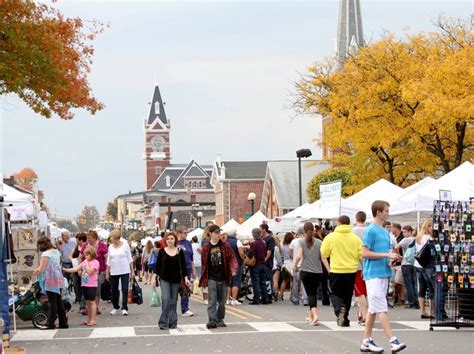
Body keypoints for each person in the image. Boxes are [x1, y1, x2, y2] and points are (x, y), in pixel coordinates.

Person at [360, 200, 406, 353]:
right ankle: (392, 340)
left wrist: (391, 259)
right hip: (373, 274)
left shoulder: (385, 232)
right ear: (378, 212)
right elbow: (364, 253)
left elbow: (383, 253)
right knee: (381, 308)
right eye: (386, 210)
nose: (388, 213)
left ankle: (366, 341)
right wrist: (387, 255)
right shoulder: (370, 230)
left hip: (383, 273)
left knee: (374, 309)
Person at [321, 215, 362, 327]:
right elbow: (361, 256)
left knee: (334, 293)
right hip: (351, 270)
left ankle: (339, 309)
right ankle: (345, 318)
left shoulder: (330, 237)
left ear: (338, 223)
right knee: (347, 295)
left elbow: (324, 254)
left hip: (336, 269)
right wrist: (363, 269)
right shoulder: (355, 238)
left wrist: (328, 269)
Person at [199, 224, 237, 329]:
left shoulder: (225, 245)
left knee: (221, 301)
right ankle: (212, 320)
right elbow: (204, 263)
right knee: (212, 300)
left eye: (219, 232)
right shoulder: (206, 247)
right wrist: (203, 277)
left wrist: (233, 269)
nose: (218, 234)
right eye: (216, 233)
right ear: (210, 234)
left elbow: (232, 258)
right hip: (211, 277)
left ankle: (220, 319)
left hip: (223, 276)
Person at [153, 232, 190, 330]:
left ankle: (173, 322)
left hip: (176, 279)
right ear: (165, 240)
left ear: (175, 240)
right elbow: (158, 266)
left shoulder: (179, 251)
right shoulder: (161, 251)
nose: (170, 240)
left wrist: (186, 278)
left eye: (172, 238)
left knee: (173, 301)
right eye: (168, 239)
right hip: (164, 278)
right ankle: (163, 322)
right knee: (166, 300)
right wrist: (153, 277)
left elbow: (183, 266)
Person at [293, 222, 326, 326]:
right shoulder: (319, 242)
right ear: (314, 230)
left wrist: (295, 265)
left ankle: (315, 316)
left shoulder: (301, 242)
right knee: (313, 293)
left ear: (304, 230)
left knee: (310, 294)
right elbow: (323, 258)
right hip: (317, 271)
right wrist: (329, 270)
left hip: (305, 271)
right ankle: (311, 316)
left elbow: (298, 256)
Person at [33, 236, 68, 329]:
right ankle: (63, 322)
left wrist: (36, 271)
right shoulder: (56, 252)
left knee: (53, 302)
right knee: (58, 301)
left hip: (50, 279)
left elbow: (42, 268)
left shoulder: (46, 254)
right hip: (58, 278)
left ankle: (50, 323)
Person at [63, 246, 99, 326]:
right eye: (85, 255)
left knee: (92, 302)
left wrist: (86, 263)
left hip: (92, 285)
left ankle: (93, 320)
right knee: (87, 303)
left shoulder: (95, 262)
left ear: (91, 254)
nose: (85, 257)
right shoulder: (84, 262)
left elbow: (90, 272)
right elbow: (76, 269)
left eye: (87, 255)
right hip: (84, 284)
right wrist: (65, 269)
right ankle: (89, 319)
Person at [79, 230, 108, 315]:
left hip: (99, 270)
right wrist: (80, 269)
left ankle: (96, 306)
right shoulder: (85, 246)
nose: (88, 240)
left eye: (90, 238)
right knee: (87, 289)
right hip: (86, 271)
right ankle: (88, 307)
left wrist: (106, 270)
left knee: (97, 290)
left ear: (95, 238)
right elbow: (80, 257)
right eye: (88, 238)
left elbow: (106, 258)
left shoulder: (102, 246)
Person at [106, 230, 133, 316]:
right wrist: (107, 272)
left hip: (124, 270)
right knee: (114, 289)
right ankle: (115, 306)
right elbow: (108, 260)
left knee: (125, 289)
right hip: (114, 270)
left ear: (116, 238)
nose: (110, 239)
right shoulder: (110, 247)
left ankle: (124, 308)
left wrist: (132, 271)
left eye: (112, 237)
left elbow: (130, 258)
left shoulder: (125, 246)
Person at [414, 220, 435, 319]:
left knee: (421, 289)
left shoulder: (418, 237)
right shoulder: (429, 238)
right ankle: (432, 311)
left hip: (417, 264)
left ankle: (422, 311)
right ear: (428, 227)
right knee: (431, 289)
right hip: (426, 265)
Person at [397, 225, 419, 309]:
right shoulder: (416, 239)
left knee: (408, 284)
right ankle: (416, 302)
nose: (403, 233)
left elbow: (396, 247)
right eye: (403, 232)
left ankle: (412, 303)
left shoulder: (405, 240)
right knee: (414, 284)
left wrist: (399, 256)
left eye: (405, 232)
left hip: (406, 263)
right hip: (414, 263)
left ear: (410, 231)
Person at [353, 211, 368, 325]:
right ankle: (361, 313)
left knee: (359, 292)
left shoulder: (353, 231)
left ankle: (364, 315)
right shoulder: (369, 230)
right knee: (364, 291)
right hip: (369, 262)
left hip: (356, 264)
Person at [177, 226, 195, 317]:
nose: (186, 234)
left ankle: (185, 309)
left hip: (187, 269)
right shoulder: (175, 243)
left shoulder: (188, 243)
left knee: (185, 289)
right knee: (175, 289)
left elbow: (191, 258)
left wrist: (193, 270)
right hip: (177, 269)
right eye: (184, 232)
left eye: (187, 232)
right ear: (179, 233)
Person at [247, 228, 268, 305]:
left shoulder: (254, 243)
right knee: (263, 282)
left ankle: (256, 299)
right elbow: (265, 253)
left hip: (256, 265)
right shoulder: (263, 242)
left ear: (254, 234)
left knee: (255, 282)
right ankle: (265, 299)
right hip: (263, 264)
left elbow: (250, 254)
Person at [225, 228, 245, 305]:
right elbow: (241, 253)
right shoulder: (237, 241)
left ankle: (227, 299)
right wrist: (243, 260)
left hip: (227, 264)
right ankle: (234, 299)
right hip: (237, 264)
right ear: (234, 234)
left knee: (229, 282)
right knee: (236, 282)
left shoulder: (225, 242)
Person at [72, 232, 87, 312]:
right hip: (75, 269)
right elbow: (71, 255)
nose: (76, 241)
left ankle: (82, 306)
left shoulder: (87, 247)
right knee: (76, 287)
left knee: (84, 287)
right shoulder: (76, 247)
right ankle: (81, 303)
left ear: (81, 240)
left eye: (77, 239)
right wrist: (72, 260)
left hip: (84, 270)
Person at [260, 223, 275, 303]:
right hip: (261, 263)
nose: (260, 231)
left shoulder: (270, 239)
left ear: (264, 229)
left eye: (261, 229)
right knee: (263, 280)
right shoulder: (261, 238)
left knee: (268, 279)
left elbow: (269, 251)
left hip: (267, 263)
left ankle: (269, 296)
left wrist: (265, 260)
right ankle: (264, 296)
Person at [391, 223, 405, 306]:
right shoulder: (395, 237)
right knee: (397, 281)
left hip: (400, 262)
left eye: (391, 227)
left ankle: (397, 296)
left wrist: (398, 255)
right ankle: (400, 298)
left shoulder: (401, 237)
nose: (391, 229)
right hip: (395, 262)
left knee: (398, 281)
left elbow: (396, 248)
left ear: (395, 228)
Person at [278, 232, 293, 301]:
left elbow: (281, 253)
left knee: (284, 281)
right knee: (293, 281)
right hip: (292, 263)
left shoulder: (282, 244)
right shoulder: (292, 244)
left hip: (285, 263)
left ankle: (281, 294)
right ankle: (292, 295)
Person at [272, 234, 283, 302]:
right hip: (276, 266)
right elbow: (279, 258)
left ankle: (271, 293)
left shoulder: (268, 246)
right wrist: (281, 264)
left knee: (271, 281)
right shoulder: (276, 248)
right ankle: (275, 294)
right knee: (275, 281)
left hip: (271, 266)